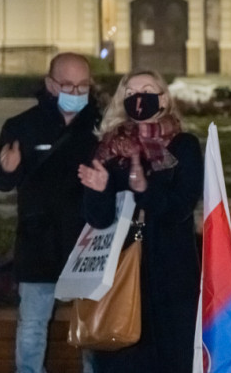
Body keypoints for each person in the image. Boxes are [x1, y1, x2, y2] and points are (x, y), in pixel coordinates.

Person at [77, 70, 202, 372]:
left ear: (163, 98)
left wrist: (145, 189)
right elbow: (99, 219)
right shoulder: (109, 147)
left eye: (147, 90)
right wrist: (98, 190)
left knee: (172, 359)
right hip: (119, 271)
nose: (139, 98)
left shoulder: (183, 145)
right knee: (122, 358)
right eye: (131, 93)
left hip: (170, 273)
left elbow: (181, 207)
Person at [0, 52, 100, 373]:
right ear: (51, 84)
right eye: (68, 85)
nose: (76, 93)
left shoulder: (101, 127)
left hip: (87, 242)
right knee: (33, 324)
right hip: (38, 241)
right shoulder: (22, 125)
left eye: (83, 86)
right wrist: (5, 168)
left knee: (93, 327)